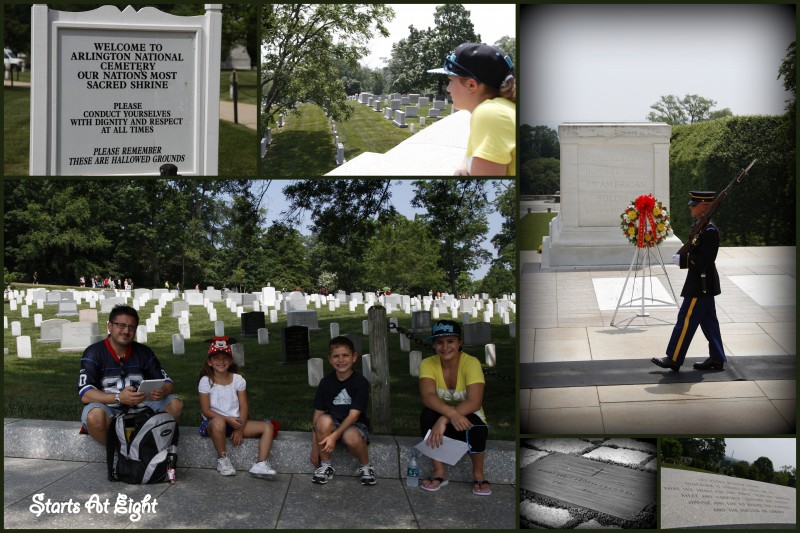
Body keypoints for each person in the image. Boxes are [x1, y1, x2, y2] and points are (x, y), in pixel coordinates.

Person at [78, 305, 182, 445]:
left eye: (131, 327)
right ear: (110, 326)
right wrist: (118, 397)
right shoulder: (93, 353)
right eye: (121, 325)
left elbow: (167, 382)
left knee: (174, 404)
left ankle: (150, 450)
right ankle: (120, 456)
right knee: (94, 417)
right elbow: (85, 394)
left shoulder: (144, 352)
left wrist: (162, 391)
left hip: (141, 404)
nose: (126, 331)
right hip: (110, 406)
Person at [652, 191, 727, 372]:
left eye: (694, 205)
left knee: (685, 320)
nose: (691, 208)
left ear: (704, 206)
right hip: (703, 283)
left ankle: (674, 358)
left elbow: (706, 260)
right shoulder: (702, 226)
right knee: (709, 322)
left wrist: (684, 260)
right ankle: (717, 358)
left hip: (700, 284)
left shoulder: (709, 231)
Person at [418, 320, 491, 495]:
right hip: (443, 422)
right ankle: (439, 471)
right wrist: (449, 414)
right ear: (434, 344)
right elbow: (427, 396)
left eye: (450, 341)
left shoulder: (471, 363)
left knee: (476, 426)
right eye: (439, 342)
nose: (445, 347)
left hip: (466, 421)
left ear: (460, 342)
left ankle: (478, 473)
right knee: (427, 416)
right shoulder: (428, 364)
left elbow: (474, 402)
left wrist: (444, 418)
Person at [428, 42, 516, 176]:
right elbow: (475, 154)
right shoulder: (499, 108)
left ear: (471, 85)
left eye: (451, 80)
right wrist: (464, 167)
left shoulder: (489, 114)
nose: (448, 88)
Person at [198, 336, 277, 478]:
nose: (221, 362)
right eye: (216, 358)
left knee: (268, 427)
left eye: (224, 358)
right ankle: (223, 460)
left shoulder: (238, 380)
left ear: (231, 360)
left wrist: (240, 429)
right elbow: (206, 410)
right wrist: (227, 419)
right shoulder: (206, 381)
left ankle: (260, 463)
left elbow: (244, 406)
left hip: (236, 422)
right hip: (213, 422)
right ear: (209, 362)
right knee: (218, 422)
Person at [309, 336, 376, 486]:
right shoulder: (326, 382)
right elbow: (318, 413)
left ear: (354, 357)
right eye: (336, 356)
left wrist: (333, 437)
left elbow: (354, 415)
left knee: (350, 436)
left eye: (345, 355)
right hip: (333, 424)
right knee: (323, 420)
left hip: (355, 425)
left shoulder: (360, 382)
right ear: (330, 359)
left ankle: (365, 467)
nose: (341, 360)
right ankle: (326, 466)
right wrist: (315, 448)